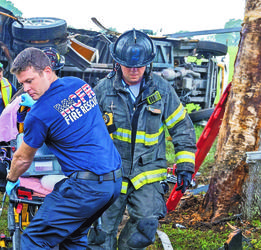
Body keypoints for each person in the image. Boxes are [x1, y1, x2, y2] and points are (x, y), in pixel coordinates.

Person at [5, 47, 122, 249]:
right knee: (73, 237)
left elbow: (23, 159)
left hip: (86, 188)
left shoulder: (38, 115)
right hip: (113, 183)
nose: (25, 88)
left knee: (34, 238)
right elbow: (65, 111)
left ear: (48, 71)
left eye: (30, 80)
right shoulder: (80, 85)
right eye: (22, 83)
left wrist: (11, 179)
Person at [93, 29, 196, 249]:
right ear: (117, 63)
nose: (134, 70)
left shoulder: (162, 90)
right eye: (128, 65)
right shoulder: (103, 91)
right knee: (100, 232)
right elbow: (86, 132)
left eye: (139, 66)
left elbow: (181, 127)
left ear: (148, 64)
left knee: (145, 227)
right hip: (110, 172)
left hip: (147, 173)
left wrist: (186, 165)